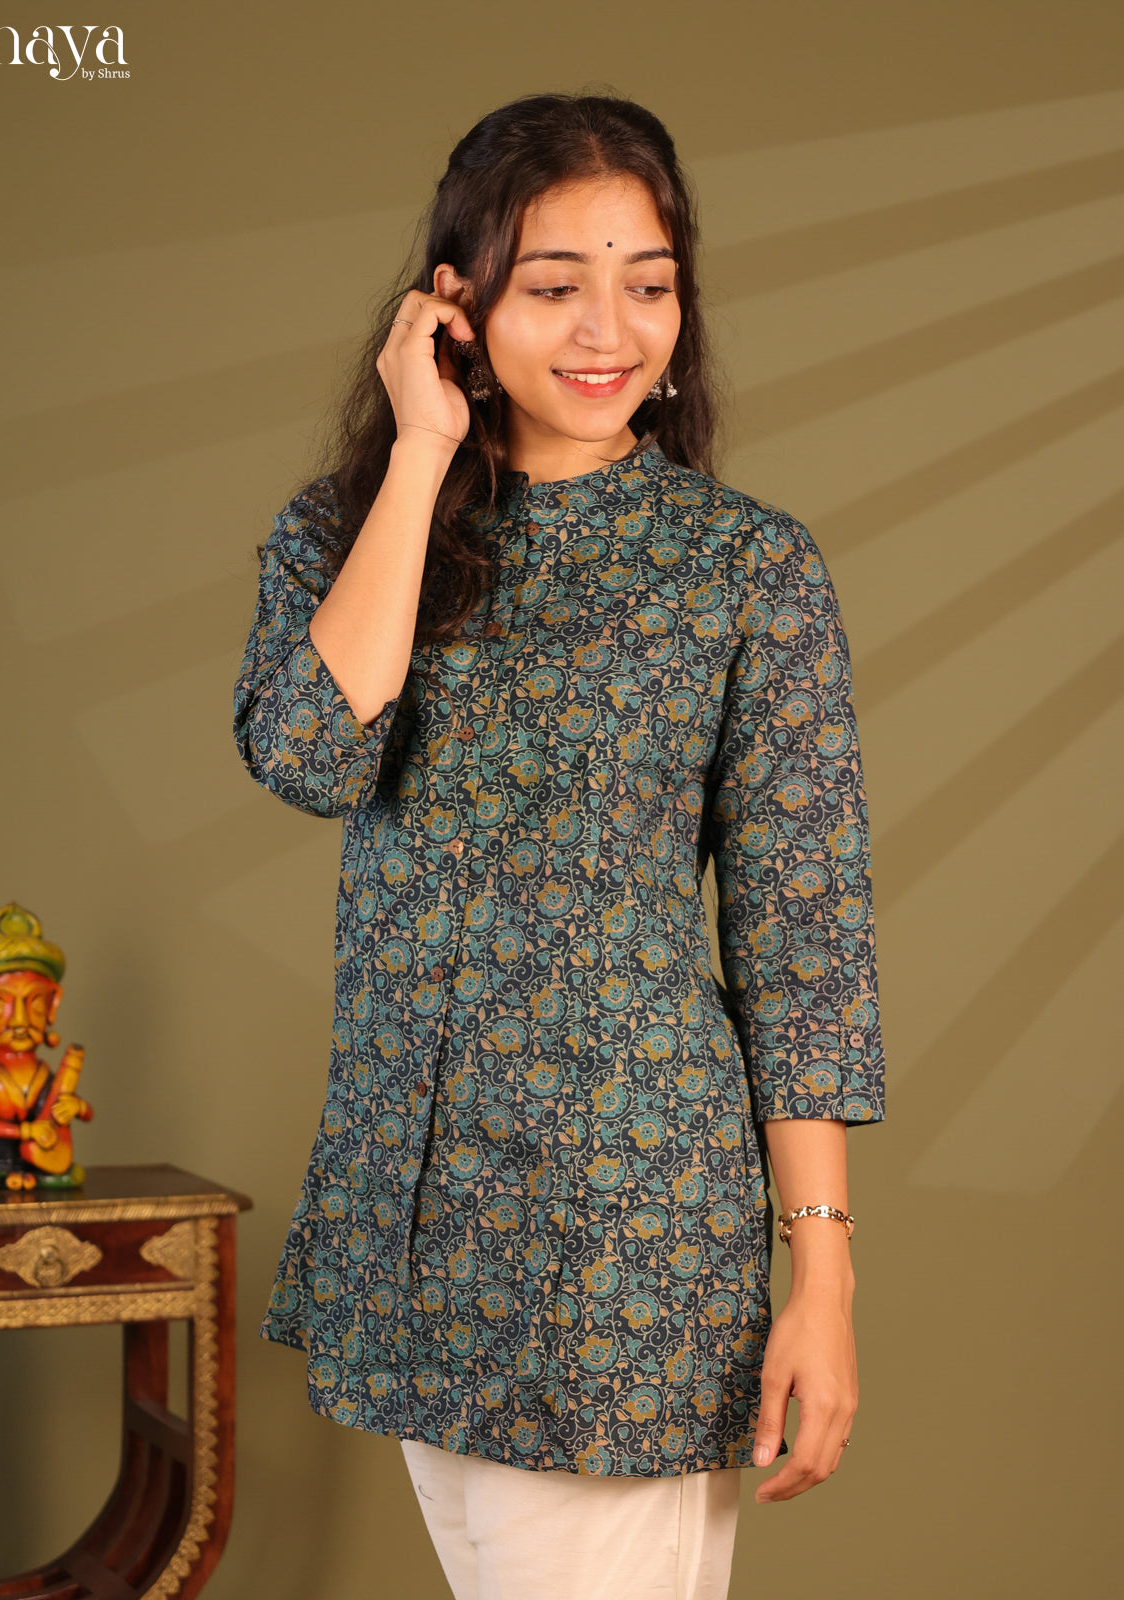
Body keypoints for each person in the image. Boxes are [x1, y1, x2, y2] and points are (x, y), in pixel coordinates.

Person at [234, 91, 885, 1600]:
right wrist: (420, 457)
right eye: (554, 286)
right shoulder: (347, 532)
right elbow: (311, 755)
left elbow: (804, 944)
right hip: (410, 1214)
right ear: (456, 304)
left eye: (648, 284)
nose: (610, 331)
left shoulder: (744, 568)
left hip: (623, 1224)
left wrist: (825, 1276)